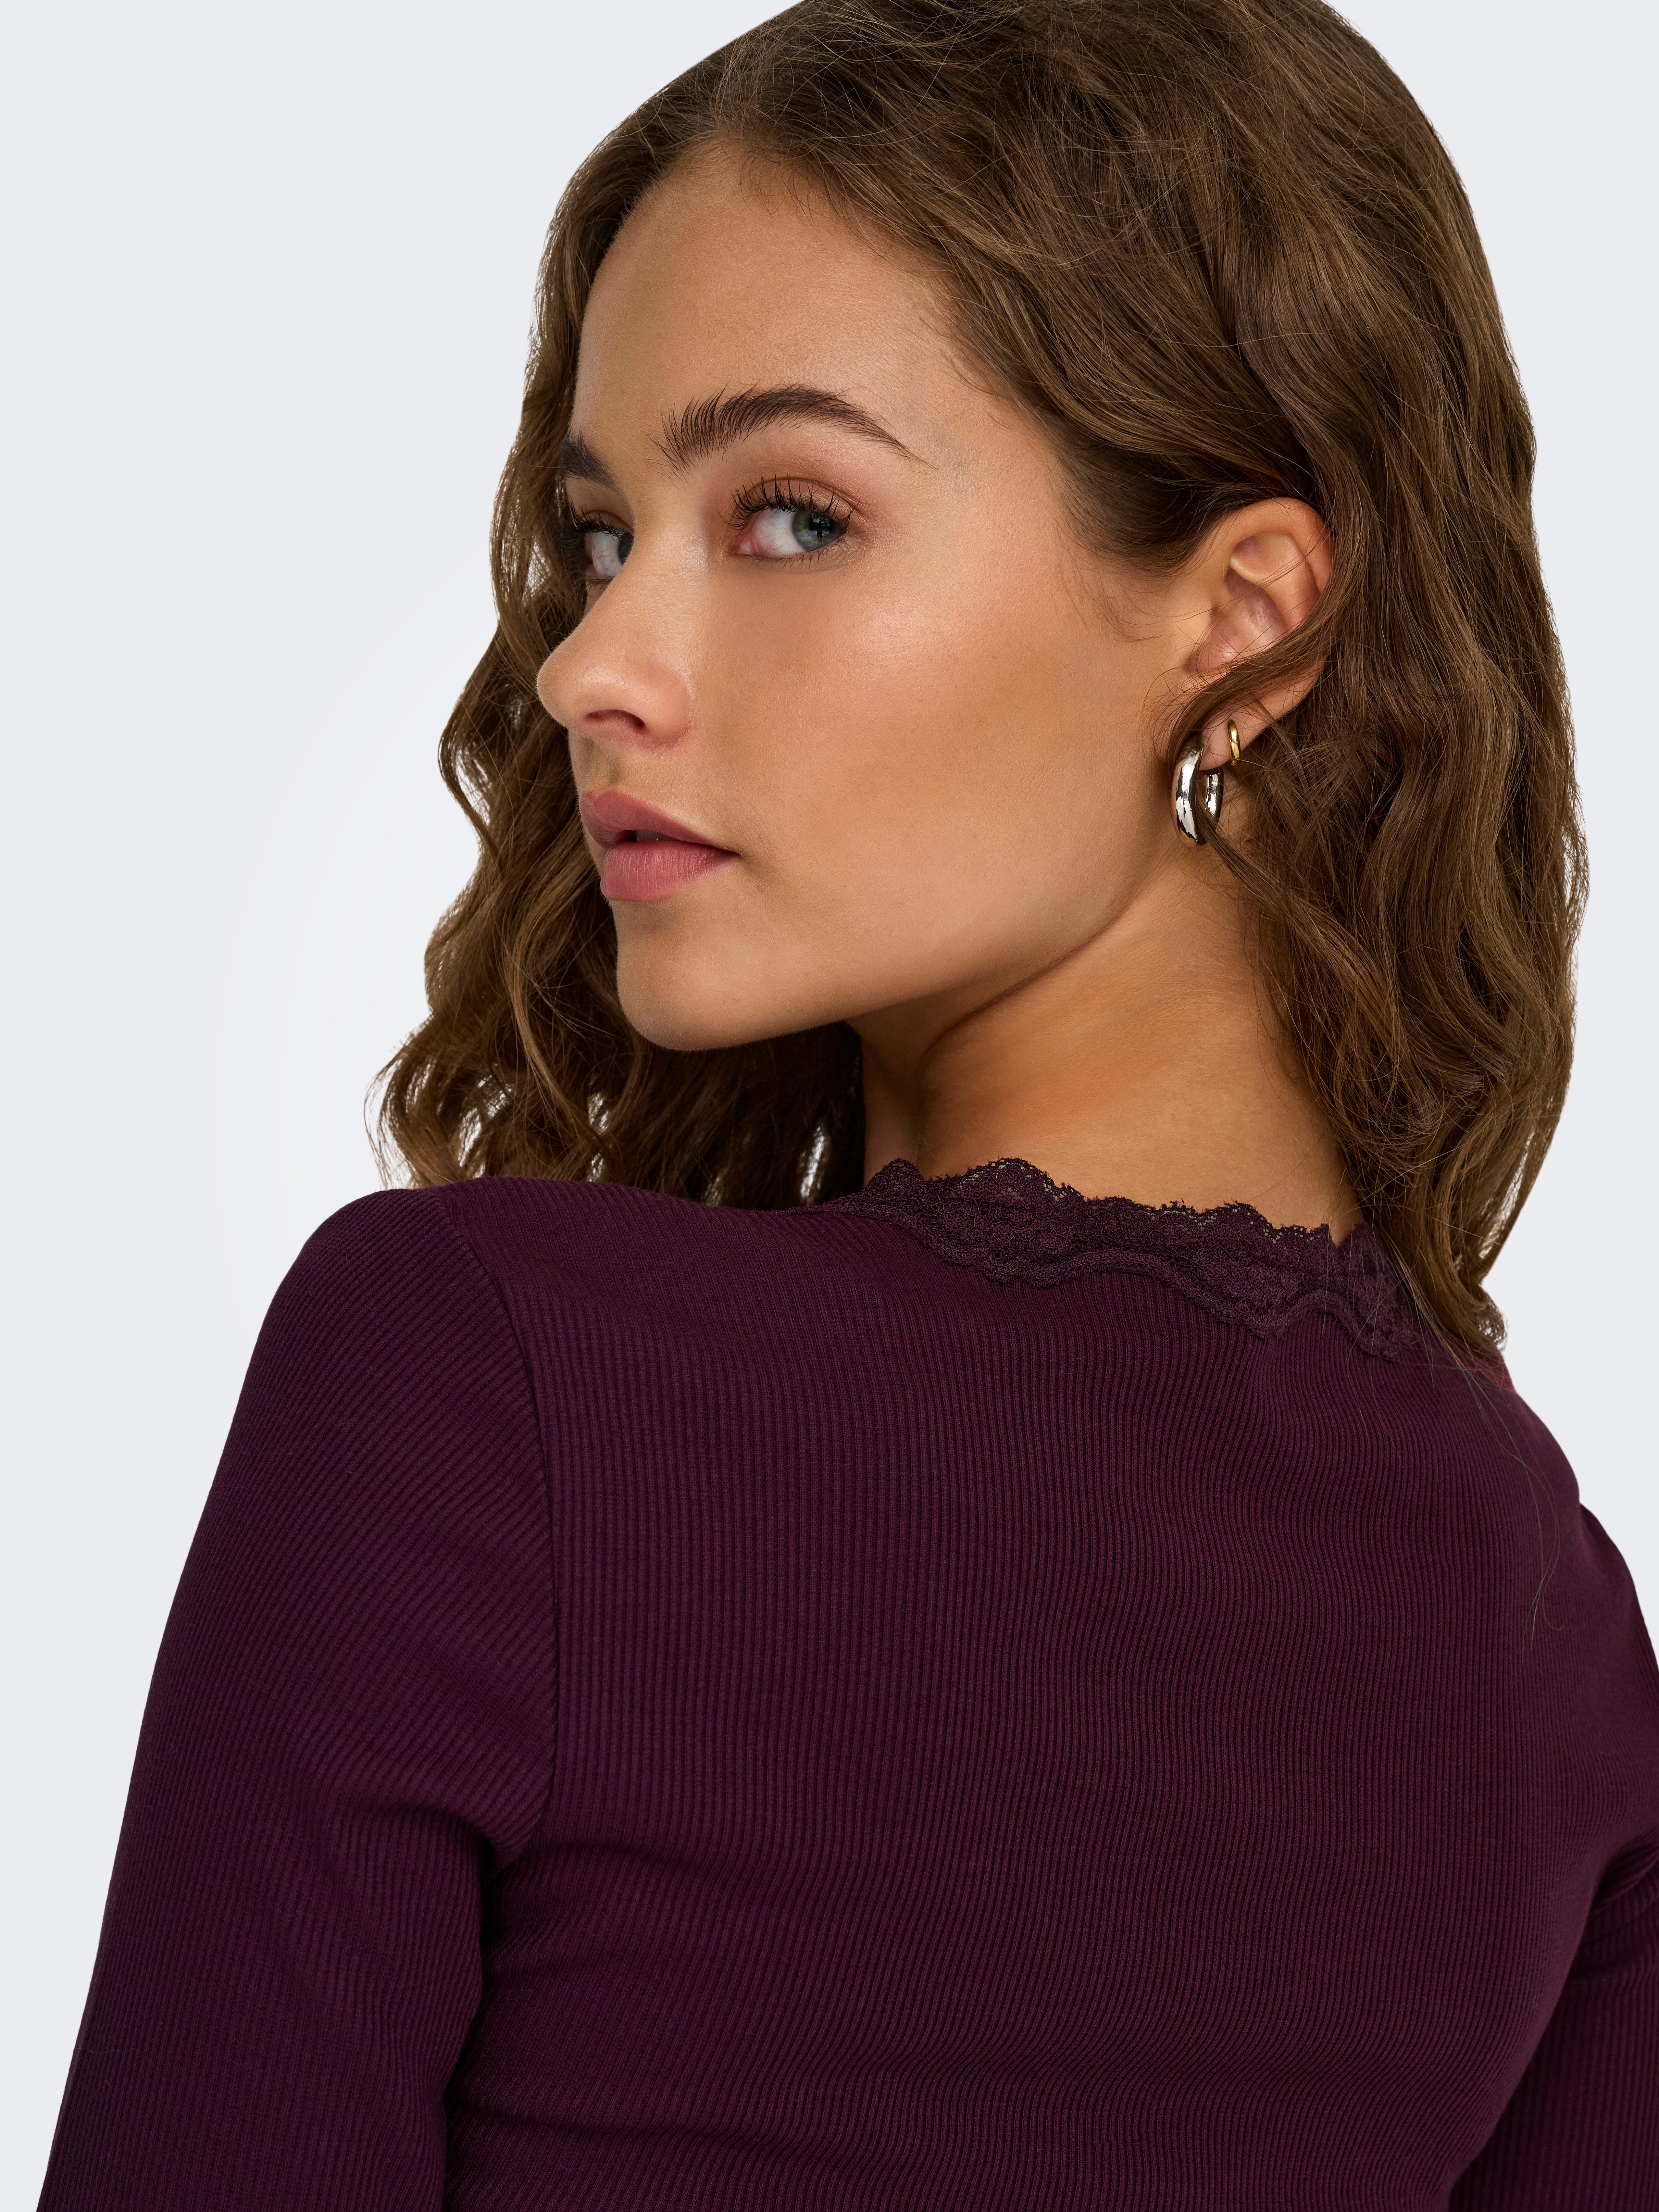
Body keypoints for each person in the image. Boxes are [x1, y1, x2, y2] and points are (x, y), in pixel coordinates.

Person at [37, 0, 1659, 2204]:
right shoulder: (1553, 1631)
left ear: (1244, 617)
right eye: (601, 536)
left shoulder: (489, 1383)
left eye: (793, 516)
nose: (589, 666)